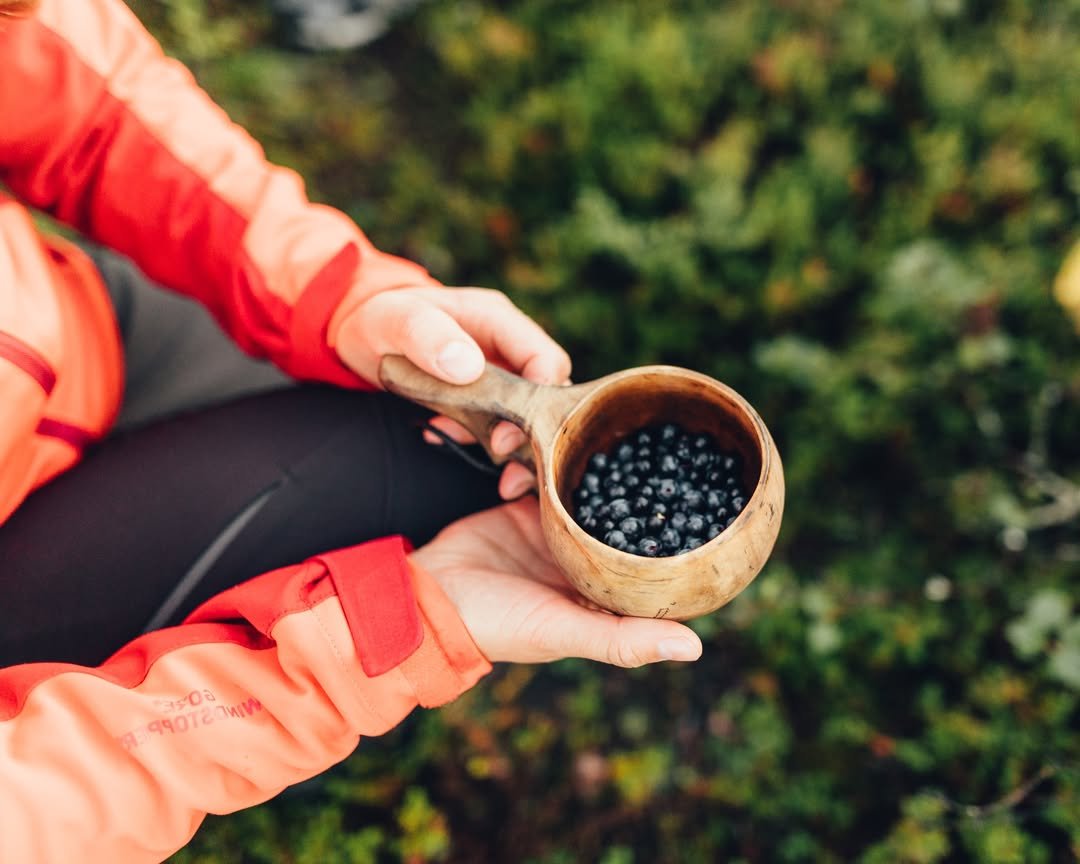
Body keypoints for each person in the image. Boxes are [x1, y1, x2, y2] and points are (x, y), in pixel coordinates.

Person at [0, 1, 703, 860]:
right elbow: (49, 802)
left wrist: (335, 297)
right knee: (434, 483)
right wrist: (384, 641)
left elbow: (73, 93)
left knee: (446, 432)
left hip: (70, 325)